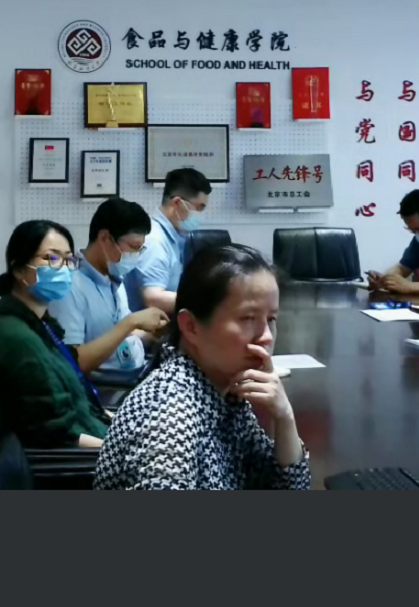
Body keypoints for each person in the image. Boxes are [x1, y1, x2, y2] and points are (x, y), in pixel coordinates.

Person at [94, 243, 310, 490]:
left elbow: (285, 487)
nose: (266, 337)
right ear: (191, 327)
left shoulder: (223, 390)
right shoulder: (170, 416)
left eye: (271, 319)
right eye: (248, 318)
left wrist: (284, 417)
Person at [0, 220, 111, 448]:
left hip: (95, 431)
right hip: (81, 459)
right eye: (53, 258)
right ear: (19, 269)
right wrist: (121, 451)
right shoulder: (19, 341)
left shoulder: (41, 324)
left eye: (69, 260)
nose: (65, 268)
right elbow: (59, 433)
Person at [47, 197, 170, 390]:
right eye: (133, 248)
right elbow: (72, 362)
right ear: (105, 238)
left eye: (140, 249)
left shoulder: (114, 277)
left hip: (136, 376)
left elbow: (119, 336)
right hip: (108, 389)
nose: (136, 256)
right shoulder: (69, 288)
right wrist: (131, 322)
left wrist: (151, 332)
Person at [124, 166, 211, 314]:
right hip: (144, 327)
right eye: (198, 208)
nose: (200, 214)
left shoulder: (175, 237)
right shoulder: (154, 240)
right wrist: (207, 303)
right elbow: (153, 298)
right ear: (177, 203)